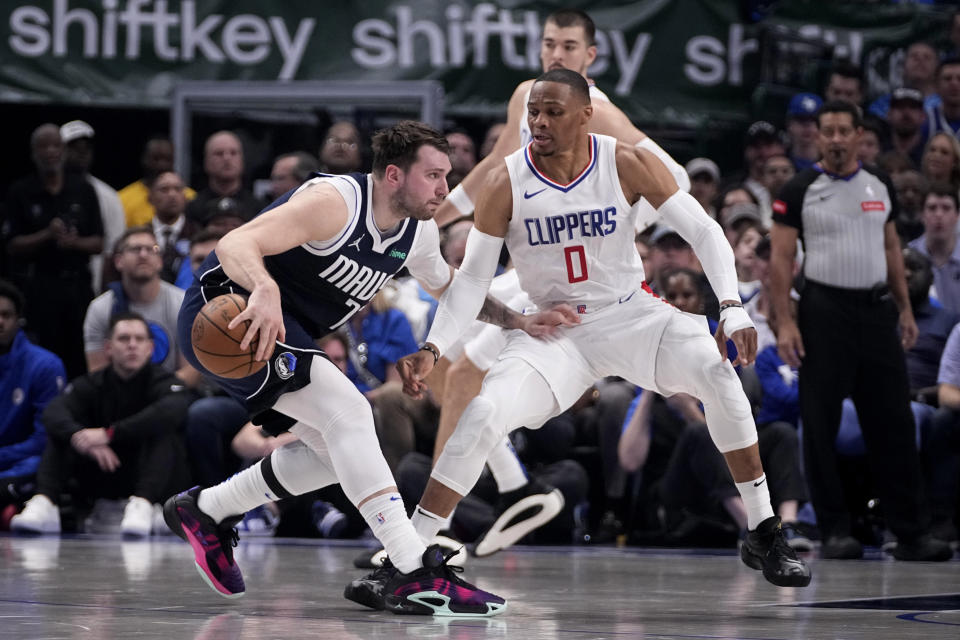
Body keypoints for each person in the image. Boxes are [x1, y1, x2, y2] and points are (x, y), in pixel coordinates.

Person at [390, 70, 810, 597]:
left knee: (715, 372)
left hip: (630, 313)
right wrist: (433, 347)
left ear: (585, 115)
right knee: (482, 413)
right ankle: (408, 556)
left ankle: (765, 530)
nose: (538, 122)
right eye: (533, 112)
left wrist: (732, 308)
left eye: (552, 112)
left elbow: (703, 230)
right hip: (556, 329)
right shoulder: (505, 181)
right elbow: (471, 282)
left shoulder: (624, 161)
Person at [164, 120, 569, 614]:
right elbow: (233, 246)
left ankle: (207, 510)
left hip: (287, 332)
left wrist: (518, 321)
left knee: (339, 457)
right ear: (394, 175)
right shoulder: (333, 203)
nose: (445, 188)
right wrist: (265, 289)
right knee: (351, 412)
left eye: (447, 176)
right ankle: (411, 568)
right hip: (228, 311)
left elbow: (450, 288)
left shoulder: (417, 231)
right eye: (434, 175)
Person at [769, 100, 952, 561]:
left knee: (891, 420)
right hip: (822, 310)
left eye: (841, 131)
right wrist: (786, 321)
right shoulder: (799, 187)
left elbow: (892, 249)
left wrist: (906, 309)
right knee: (821, 422)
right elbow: (780, 260)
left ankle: (911, 533)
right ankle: (833, 529)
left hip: (876, 312)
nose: (833, 138)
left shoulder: (879, 182)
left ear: (856, 135)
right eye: (825, 131)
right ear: (819, 136)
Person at [433, 8, 689, 230]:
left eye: (568, 46)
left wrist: (626, 229)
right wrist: (432, 222)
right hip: (531, 237)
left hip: (580, 253)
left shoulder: (596, 111)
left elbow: (676, 177)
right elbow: (495, 167)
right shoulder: (524, 94)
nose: (556, 54)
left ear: (589, 55)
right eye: (549, 44)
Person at [10, 312, 191, 536]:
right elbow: (53, 412)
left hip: (150, 473)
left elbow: (172, 411)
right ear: (108, 348)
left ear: (150, 348)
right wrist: (82, 437)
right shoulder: (93, 384)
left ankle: (143, 505)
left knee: (162, 431)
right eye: (124, 339)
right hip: (104, 470)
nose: (132, 345)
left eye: (139, 339)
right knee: (63, 433)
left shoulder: (165, 382)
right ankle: (44, 501)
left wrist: (110, 434)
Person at [3, 124, 103, 379]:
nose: (50, 152)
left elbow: (99, 243)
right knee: (40, 357)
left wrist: (74, 242)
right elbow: (12, 246)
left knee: (80, 356)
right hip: (39, 288)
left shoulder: (84, 189)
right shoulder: (20, 192)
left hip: (78, 287)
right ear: (33, 153)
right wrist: (47, 234)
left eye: (56, 145)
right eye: (43, 146)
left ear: (64, 150)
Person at [0, 280, 66, 518]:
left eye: (6, 315)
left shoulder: (45, 365)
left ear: (18, 319)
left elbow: (42, 439)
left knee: (43, 464)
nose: (0, 321)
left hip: (23, 462)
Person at [84, 227, 188, 377]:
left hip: (170, 393)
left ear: (160, 261)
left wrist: (161, 393)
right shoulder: (100, 308)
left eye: (151, 249)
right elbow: (97, 372)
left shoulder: (182, 303)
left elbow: (191, 370)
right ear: (119, 261)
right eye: (135, 249)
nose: (143, 255)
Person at [60, 120, 125, 294]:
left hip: (93, 287)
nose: (81, 153)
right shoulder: (42, 191)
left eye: (86, 148)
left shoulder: (108, 196)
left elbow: (115, 248)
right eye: (74, 147)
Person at [185, 131, 261, 227]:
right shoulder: (192, 209)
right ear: (206, 161)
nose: (227, 158)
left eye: (233, 153)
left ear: (242, 160)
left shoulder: (259, 209)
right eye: (219, 153)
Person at [119, 136, 196, 228]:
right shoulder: (122, 199)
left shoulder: (191, 198)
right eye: (156, 159)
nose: (162, 165)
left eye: (167, 159)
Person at [908, 183, 960, 316]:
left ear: (957, 215)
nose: (939, 215)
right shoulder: (907, 258)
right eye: (932, 208)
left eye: (946, 208)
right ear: (921, 215)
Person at [146, 171, 199, 285]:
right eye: (164, 189)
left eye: (178, 189)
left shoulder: (198, 234)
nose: (172, 195)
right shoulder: (141, 235)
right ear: (150, 197)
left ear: (185, 197)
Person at [785, 93, 822, 171]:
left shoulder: (832, 163)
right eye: (801, 119)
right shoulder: (780, 163)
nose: (807, 125)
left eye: (813, 120)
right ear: (789, 124)